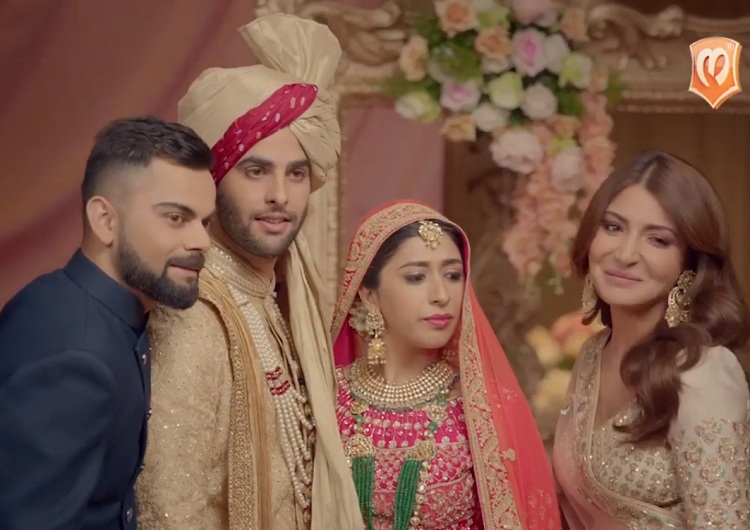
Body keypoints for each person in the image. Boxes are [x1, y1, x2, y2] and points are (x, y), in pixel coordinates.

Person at [136, 13, 362, 530]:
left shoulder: (274, 297)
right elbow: (171, 510)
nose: (280, 195)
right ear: (212, 180)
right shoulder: (193, 314)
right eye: (255, 171)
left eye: (296, 173)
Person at [0, 116, 216, 530]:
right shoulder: (76, 358)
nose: (202, 241)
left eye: (205, 222)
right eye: (176, 217)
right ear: (105, 220)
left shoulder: (89, 307)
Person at [332, 200, 563, 530]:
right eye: (416, 277)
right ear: (369, 295)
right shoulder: (327, 396)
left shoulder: (484, 408)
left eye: (453, 275)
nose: (441, 295)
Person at [552, 151, 750, 529]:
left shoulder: (702, 371)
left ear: (689, 264)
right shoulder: (592, 355)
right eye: (613, 227)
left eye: (658, 240)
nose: (625, 254)